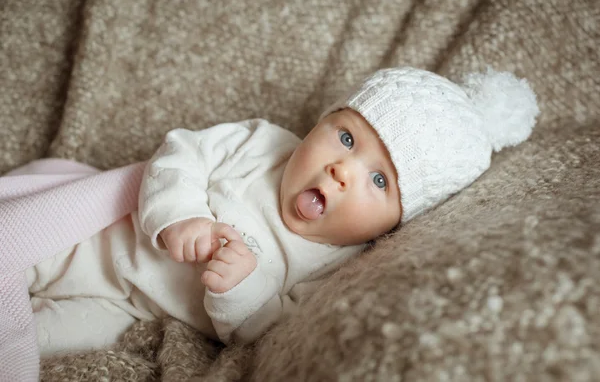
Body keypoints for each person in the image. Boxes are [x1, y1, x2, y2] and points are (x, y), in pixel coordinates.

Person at [17, 66, 540, 359]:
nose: (342, 170)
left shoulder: (339, 268)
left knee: (39, 342)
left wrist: (239, 289)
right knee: (23, 252)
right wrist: (179, 215)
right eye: (346, 136)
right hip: (103, 235)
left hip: (129, 311)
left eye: (379, 180)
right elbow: (181, 152)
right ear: (321, 121)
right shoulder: (263, 144)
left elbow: (270, 328)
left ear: (396, 223)